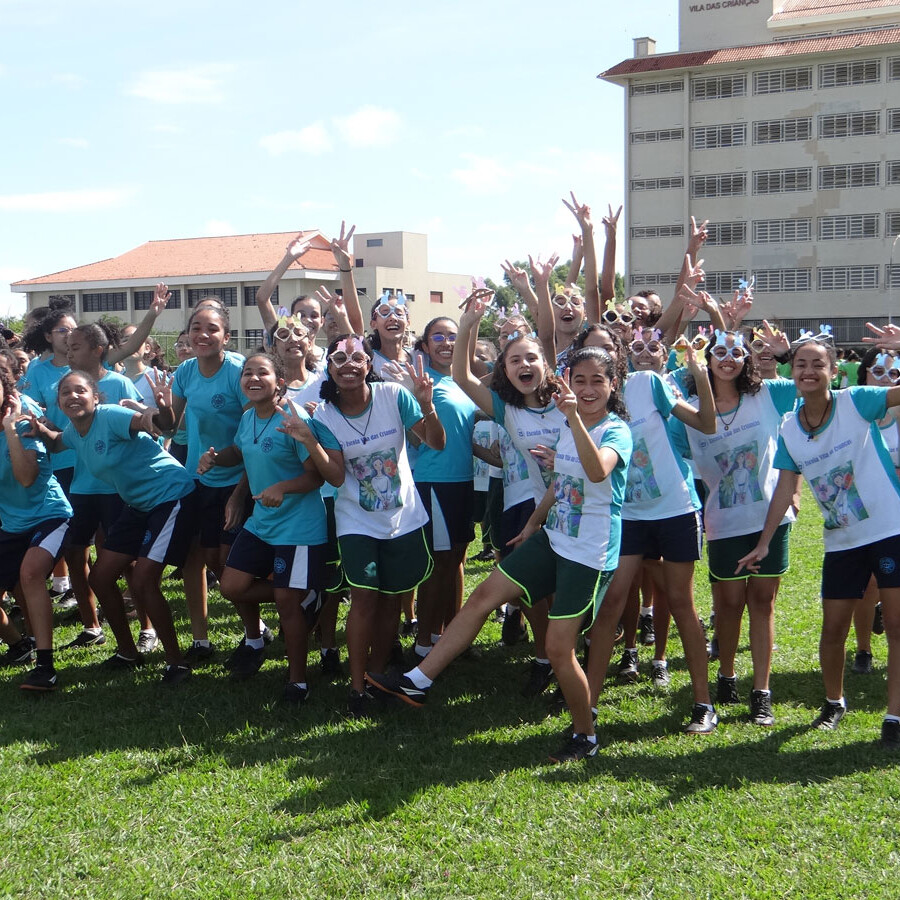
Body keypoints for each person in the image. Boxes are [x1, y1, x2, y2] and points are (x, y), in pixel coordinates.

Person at [367, 346, 632, 764]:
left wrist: (575, 419)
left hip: (589, 552)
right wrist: (533, 524)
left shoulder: (615, 429)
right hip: (553, 537)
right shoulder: (568, 422)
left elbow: (598, 470)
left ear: (612, 384)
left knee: (560, 649)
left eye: (597, 380)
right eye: (579, 380)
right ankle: (418, 680)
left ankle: (586, 734)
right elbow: (559, 481)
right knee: (483, 596)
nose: (586, 388)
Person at [737, 331, 900, 749]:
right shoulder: (789, 428)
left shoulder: (856, 401)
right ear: (793, 372)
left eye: (818, 365)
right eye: (802, 365)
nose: (809, 371)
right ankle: (833, 703)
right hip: (841, 542)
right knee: (832, 631)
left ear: (833, 371)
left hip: (889, 530)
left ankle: (894, 717)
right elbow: (783, 489)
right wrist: (764, 541)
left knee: (897, 627)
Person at [583, 338, 717, 733]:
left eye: (607, 349)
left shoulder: (646, 384)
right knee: (609, 607)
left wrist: (699, 373)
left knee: (680, 602)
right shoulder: (584, 398)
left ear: (618, 358)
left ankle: (703, 702)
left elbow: (706, 424)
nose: (599, 358)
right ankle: (586, 706)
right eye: (590, 351)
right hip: (626, 517)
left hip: (675, 509)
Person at [29, 369, 197, 684]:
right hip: (138, 504)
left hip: (169, 495)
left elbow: (158, 425)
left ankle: (177, 663)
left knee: (145, 581)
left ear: (95, 396)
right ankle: (127, 652)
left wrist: (163, 409)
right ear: (60, 404)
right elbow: (55, 443)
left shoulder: (110, 416)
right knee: (102, 577)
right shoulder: (74, 430)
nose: (72, 396)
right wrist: (39, 429)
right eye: (66, 393)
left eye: (80, 391)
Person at [311, 335, 445, 716]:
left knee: (391, 598)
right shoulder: (323, 416)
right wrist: (309, 440)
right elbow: (336, 478)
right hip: (356, 521)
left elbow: (435, 443)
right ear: (330, 368)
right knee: (365, 598)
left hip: (403, 519)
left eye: (357, 357)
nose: (349, 364)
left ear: (369, 364)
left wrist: (427, 406)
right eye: (339, 358)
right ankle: (356, 690)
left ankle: (376, 676)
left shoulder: (392, 396)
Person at [197, 353, 341, 700]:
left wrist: (283, 488)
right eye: (247, 373)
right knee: (232, 586)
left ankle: (297, 681)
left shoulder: (293, 417)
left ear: (280, 381)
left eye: (263, 373)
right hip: (261, 522)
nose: (253, 378)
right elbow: (243, 453)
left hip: (299, 526)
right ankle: (311, 592)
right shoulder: (248, 417)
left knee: (286, 602)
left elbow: (315, 476)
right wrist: (217, 459)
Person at [452, 281, 568, 697]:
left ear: (545, 364)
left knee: (567, 589)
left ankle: (568, 655)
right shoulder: (507, 408)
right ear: (505, 369)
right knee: (534, 590)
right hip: (522, 503)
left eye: (531, 357)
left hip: (573, 509)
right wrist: (469, 324)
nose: (523, 364)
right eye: (513, 359)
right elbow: (462, 376)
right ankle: (542, 658)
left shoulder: (571, 401)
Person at [677, 330, 797, 726]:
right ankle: (726, 675)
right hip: (722, 522)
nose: (727, 358)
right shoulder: (690, 411)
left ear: (746, 357)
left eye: (736, 351)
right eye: (718, 351)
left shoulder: (767, 395)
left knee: (762, 604)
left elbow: (813, 382)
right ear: (706, 359)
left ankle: (761, 691)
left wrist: (787, 352)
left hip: (769, 519)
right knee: (728, 606)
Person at [60, 322, 144, 650]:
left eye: (76, 347)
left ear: (98, 350)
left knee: (125, 558)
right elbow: (61, 435)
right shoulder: (66, 386)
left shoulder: (120, 384)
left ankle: (146, 628)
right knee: (74, 551)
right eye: (67, 347)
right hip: (80, 487)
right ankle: (91, 624)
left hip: (115, 489)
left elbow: (145, 425)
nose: (69, 353)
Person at [410, 317, 478, 662]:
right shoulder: (421, 383)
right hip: (433, 482)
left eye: (453, 336)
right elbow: (414, 434)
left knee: (454, 562)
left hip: (463, 483)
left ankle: (449, 636)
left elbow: (462, 433)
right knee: (438, 566)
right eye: (438, 336)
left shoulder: (462, 382)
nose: (446, 342)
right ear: (425, 345)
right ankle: (423, 641)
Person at [0, 369, 72, 691]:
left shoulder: (26, 416)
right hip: (9, 523)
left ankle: (46, 667)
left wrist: (10, 430)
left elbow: (27, 477)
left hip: (49, 515)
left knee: (29, 574)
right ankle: (19, 647)